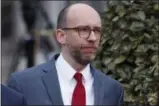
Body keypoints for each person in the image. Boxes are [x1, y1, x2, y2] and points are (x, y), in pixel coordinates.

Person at [7, 3, 124, 105]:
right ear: (61, 36)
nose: (93, 38)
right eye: (83, 30)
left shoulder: (113, 90)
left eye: (97, 31)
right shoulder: (23, 84)